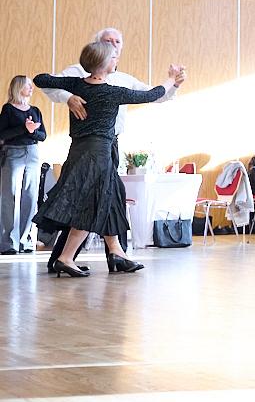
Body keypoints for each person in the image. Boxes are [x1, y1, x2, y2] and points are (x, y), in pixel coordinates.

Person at [32, 42, 184, 277]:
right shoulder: (112, 92)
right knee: (90, 206)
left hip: (80, 152)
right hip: (98, 156)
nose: (116, 59)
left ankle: (116, 252)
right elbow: (153, 94)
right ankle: (65, 257)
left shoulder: (76, 84)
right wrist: (172, 79)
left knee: (113, 199)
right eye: (114, 57)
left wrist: (70, 95)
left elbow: (40, 78)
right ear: (104, 63)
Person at [1, 76, 47, 255]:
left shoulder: (35, 110)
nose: (31, 88)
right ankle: (7, 243)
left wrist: (32, 131)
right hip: (13, 153)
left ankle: (25, 240)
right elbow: (2, 133)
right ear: (19, 87)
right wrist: (24, 129)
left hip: (33, 154)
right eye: (28, 85)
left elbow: (43, 135)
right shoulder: (8, 109)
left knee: (30, 196)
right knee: (9, 197)